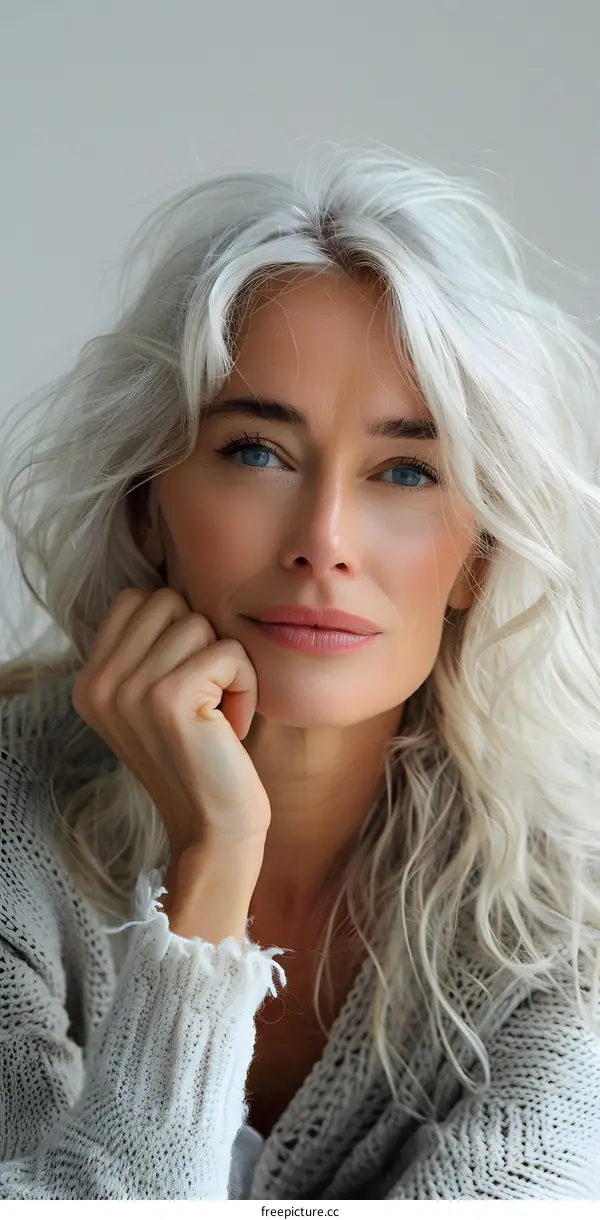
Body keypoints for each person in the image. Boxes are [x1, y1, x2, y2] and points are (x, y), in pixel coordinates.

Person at [0, 144, 599, 1201]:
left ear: (481, 556)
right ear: (149, 503)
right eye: (256, 451)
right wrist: (214, 859)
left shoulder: (570, 912)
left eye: (407, 470)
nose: (324, 539)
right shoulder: (13, 817)